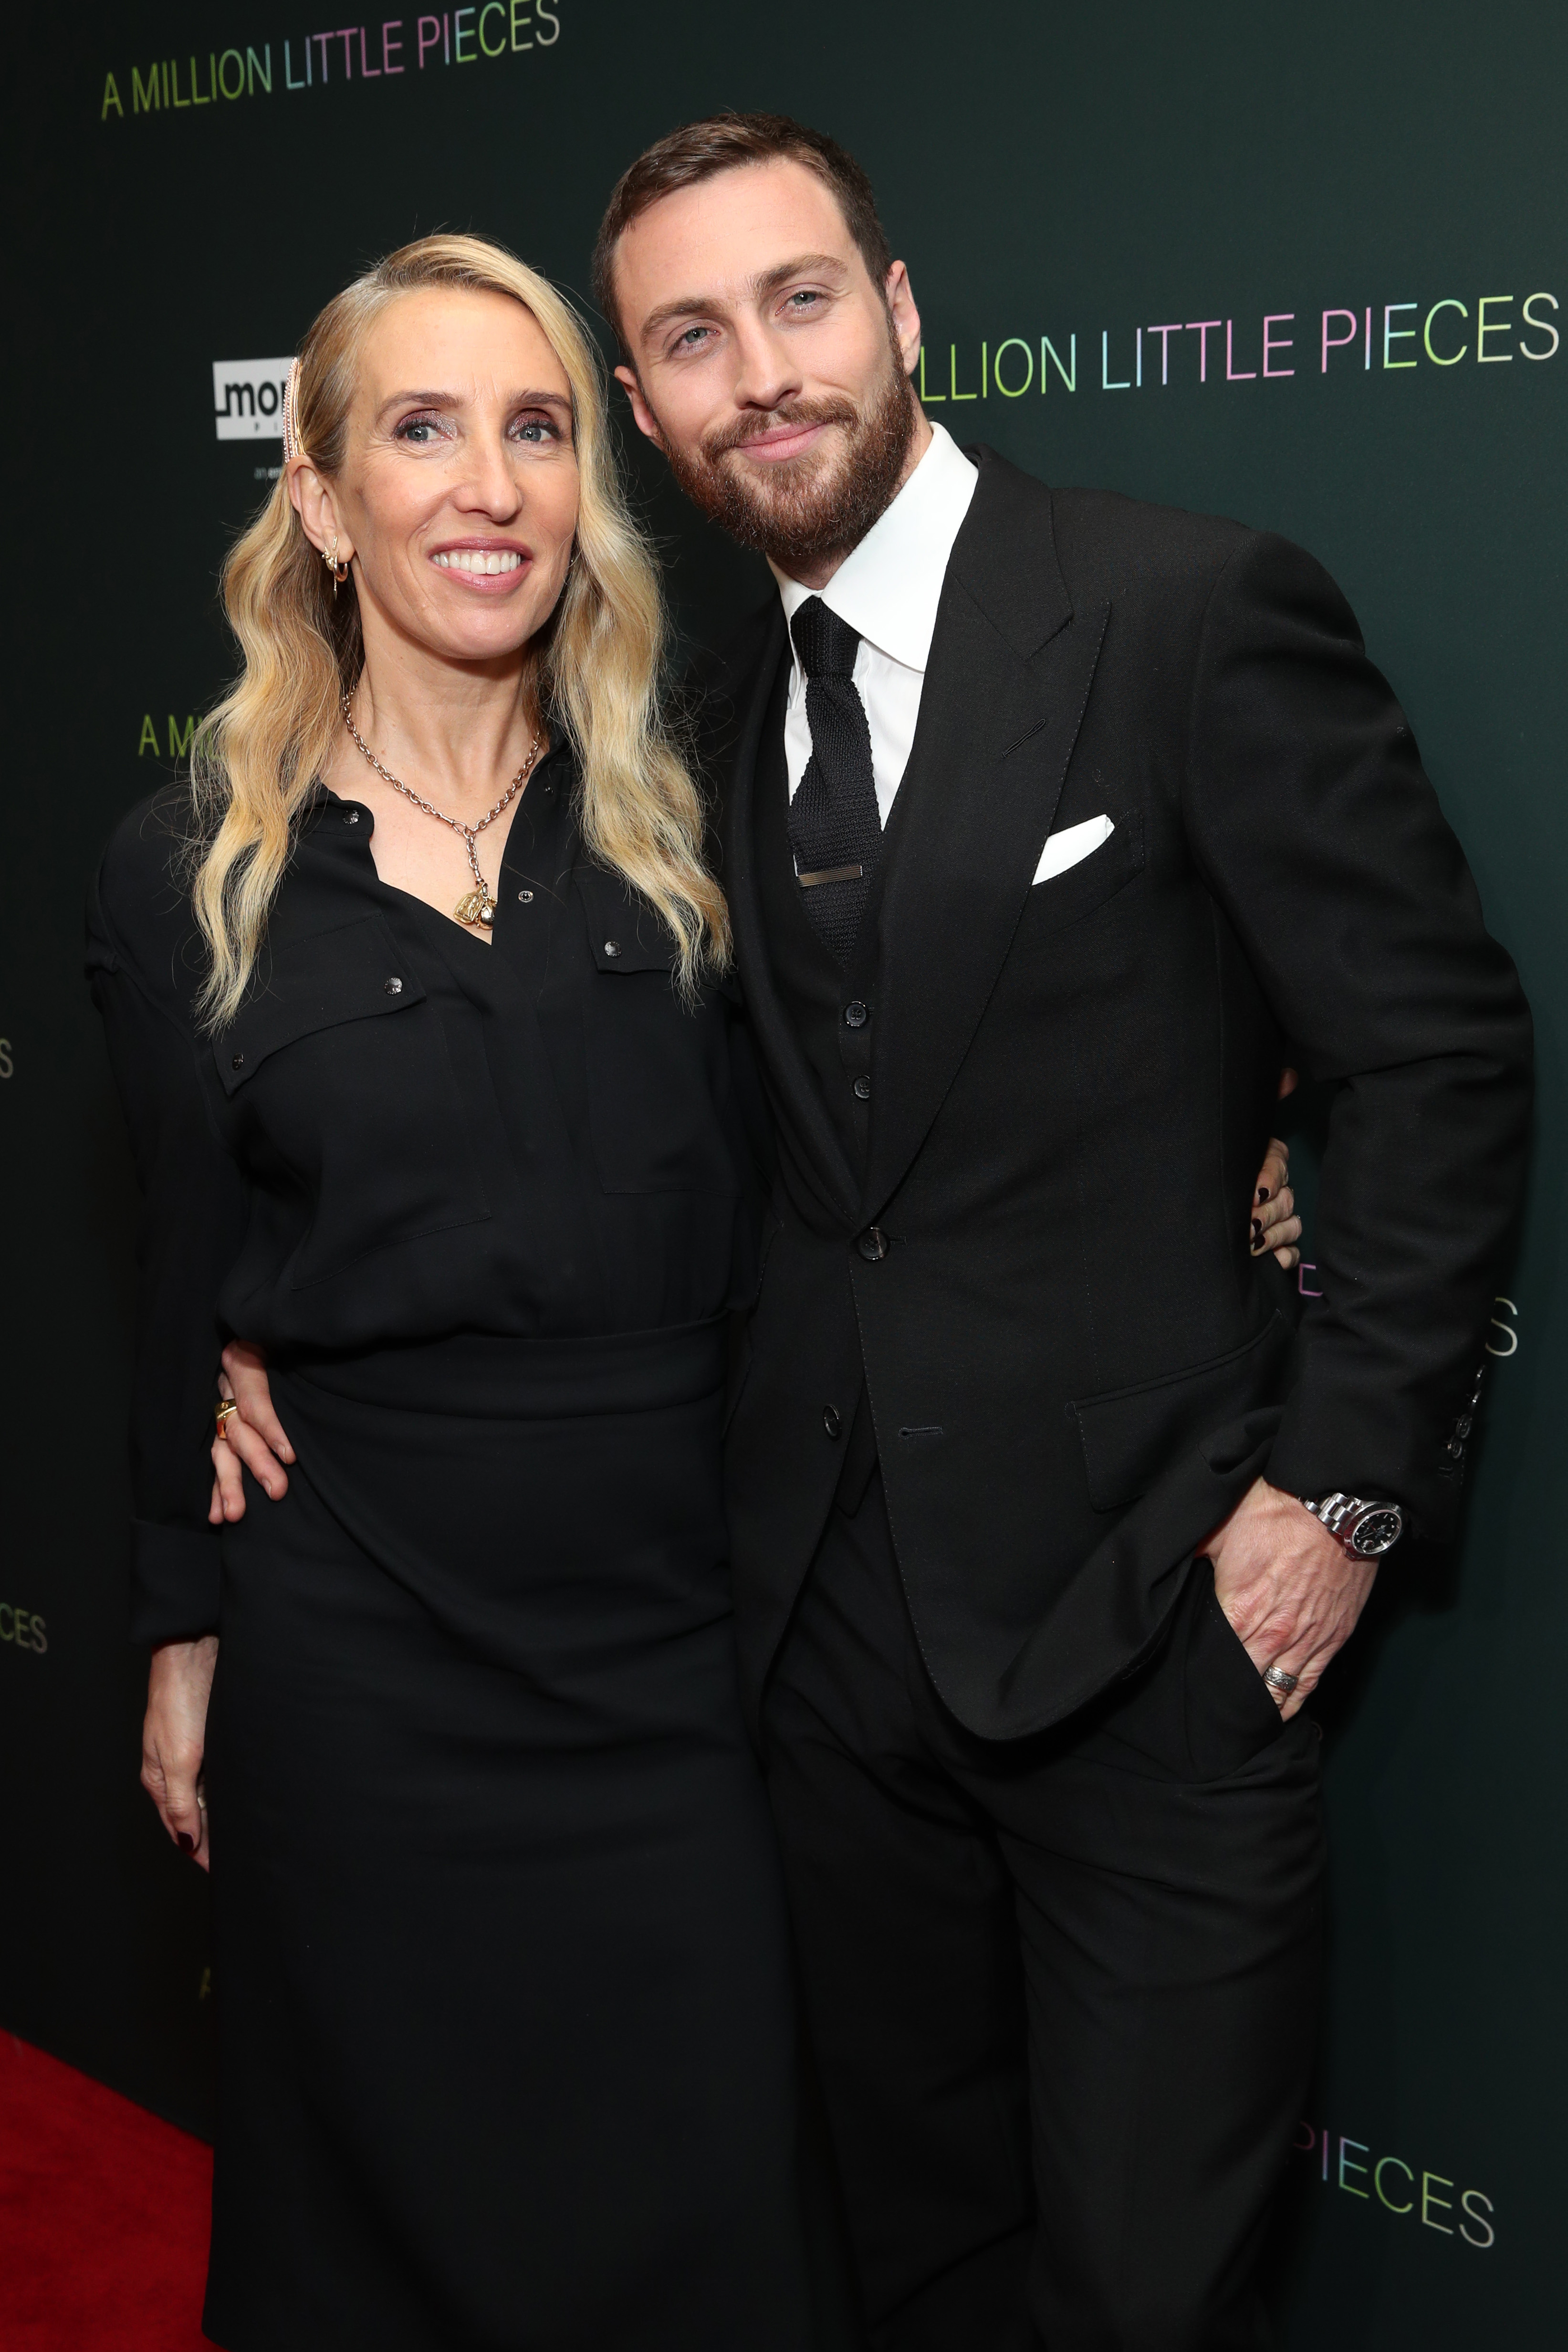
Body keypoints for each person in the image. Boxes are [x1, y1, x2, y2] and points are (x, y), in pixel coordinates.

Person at [581, 114, 1533, 2351]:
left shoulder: (1190, 611)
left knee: (1139, 2298)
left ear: (901, 314)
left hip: (1153, 1630)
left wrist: (1337, 1497)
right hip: (823, 1646)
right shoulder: (703, 720)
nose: (762, 375)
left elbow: (1434, 1060)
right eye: (691, 340)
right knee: (912, 2256)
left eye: (800, 301)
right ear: (646, 410)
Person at [86, 233, 818, 2352]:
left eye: (538, 430)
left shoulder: (705, 818)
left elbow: (879, 1160)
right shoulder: (184, 864)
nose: (489, 485)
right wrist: (178, 1625)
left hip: (684, 1660)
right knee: (377, 2234)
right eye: (422, 429)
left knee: (709, 2228)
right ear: (319, 496)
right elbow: (176, 1275)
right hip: (361, 1649)